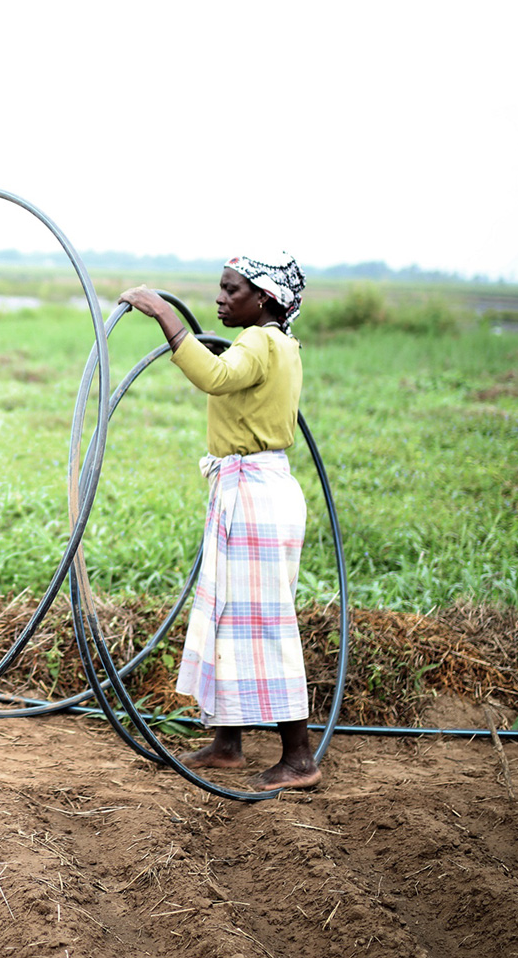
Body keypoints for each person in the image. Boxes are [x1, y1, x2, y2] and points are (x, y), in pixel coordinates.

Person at [119, 252, 320, 791]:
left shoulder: (258, 341)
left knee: (265, 622)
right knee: (231, 614)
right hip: (253, 490)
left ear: (265, 299)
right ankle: (228, 744)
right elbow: (233, 379)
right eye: (222, 288)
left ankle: (299, 759)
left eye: (233, 290)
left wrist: (162, 312)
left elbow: (214, 376)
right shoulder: (277, 343)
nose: (221, 298)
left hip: (255, 497)